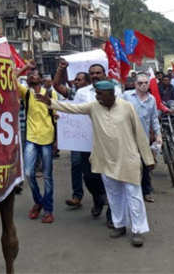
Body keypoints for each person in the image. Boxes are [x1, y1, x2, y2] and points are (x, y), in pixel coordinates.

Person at [40, 81, 155, 247]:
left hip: (127, 159)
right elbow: (73, 108)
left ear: (110, 93)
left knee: (134, 196)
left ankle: (137, 230)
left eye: (100, 94)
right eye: (96, 93)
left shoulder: (127, 107)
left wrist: (148, 159)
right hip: (105, 159)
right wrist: (51, 103)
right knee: (114, 195)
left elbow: (139, 133)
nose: (97, 96)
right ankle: (119, 225)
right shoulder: (94, 106)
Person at [53, 60, 114, 223]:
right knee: (89, 177)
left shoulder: (115, 91)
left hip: (108, 144)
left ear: (104, 74)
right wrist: (63, 118)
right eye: (92, 73)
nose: (95, 75)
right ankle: (98, 199)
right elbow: (74, 111)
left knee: (109, 179)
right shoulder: (82, 93)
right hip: (86, 144)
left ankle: (112, 215)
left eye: (98, 73)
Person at [16, 65, 57, 224]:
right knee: (28, 173)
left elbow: (55, 117)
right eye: (30, 75)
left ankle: (48, 210)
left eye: (34, 74)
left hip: (47, 139)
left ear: (41, 78)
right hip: (32, 138)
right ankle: (38, 201)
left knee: (47, 176)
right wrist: (25, 67)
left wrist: (56, 141)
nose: (31, 76)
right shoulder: (26, 93)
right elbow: (10, 79)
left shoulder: (50, 93)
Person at [122, 73, 161, 203]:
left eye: (145, 83)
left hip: (143, 138)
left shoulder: (152, 99)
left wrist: (158, 134)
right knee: (128, 164)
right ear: (135, 84)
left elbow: (154, 119)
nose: (143, 85)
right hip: (126, 136)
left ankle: (146, 191)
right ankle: (128, 191)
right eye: (140, 83)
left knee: (145, 165)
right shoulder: (126, 96)